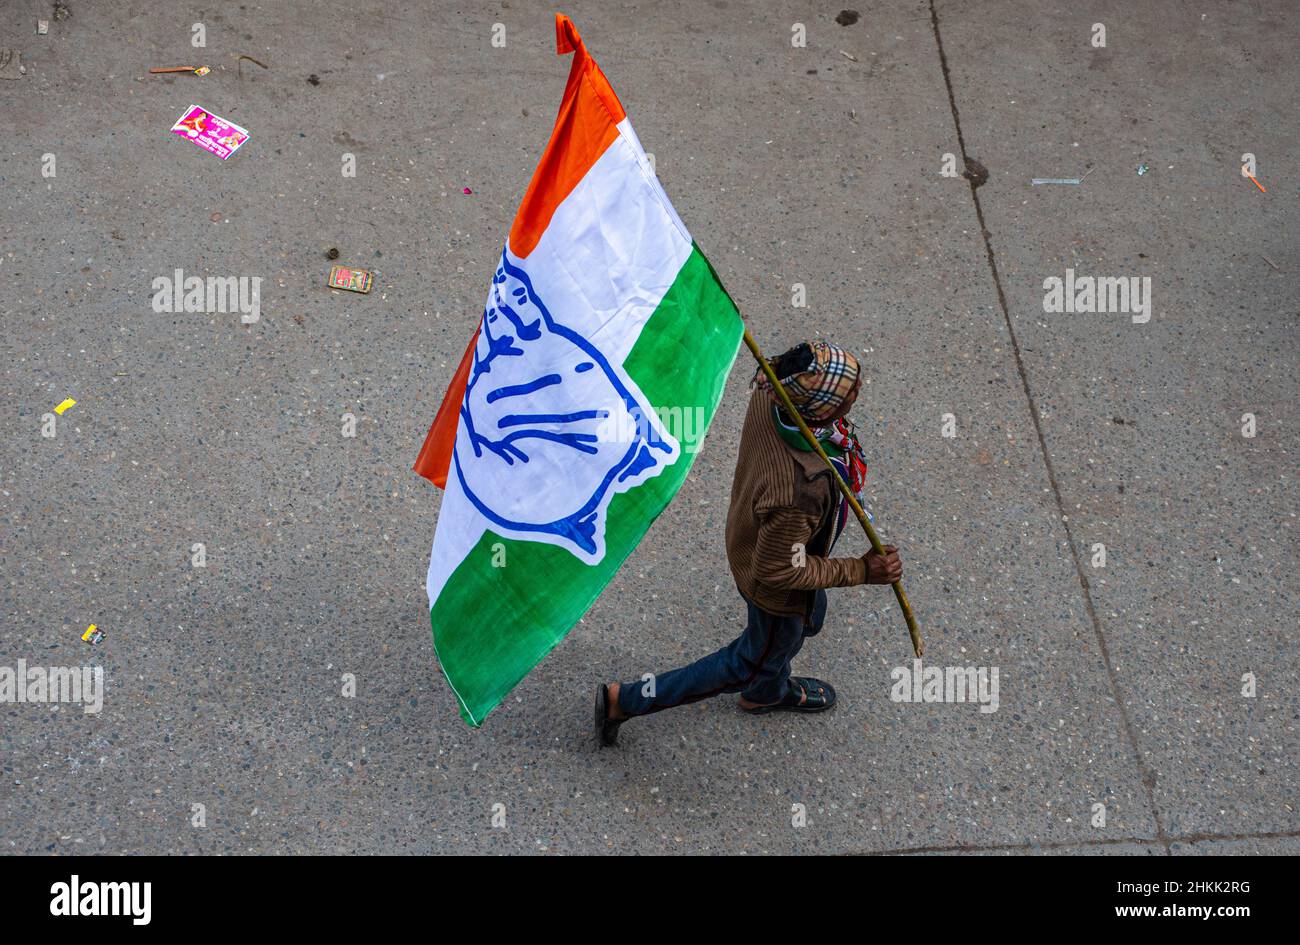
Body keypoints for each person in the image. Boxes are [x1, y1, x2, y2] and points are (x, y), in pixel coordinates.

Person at [596, 340, 902, 745]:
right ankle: (627, 700)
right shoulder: (800, 490)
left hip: (755, 537)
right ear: (821, 410)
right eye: (849, 391)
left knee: (809, 621)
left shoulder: (772, 390)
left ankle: (766, 686)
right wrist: (862, 570)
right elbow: (777, 570)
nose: (859, 390)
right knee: (753, 659)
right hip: (773, 586)